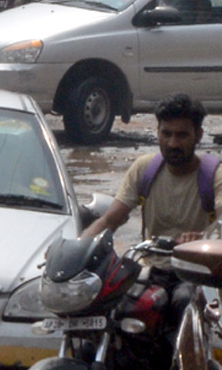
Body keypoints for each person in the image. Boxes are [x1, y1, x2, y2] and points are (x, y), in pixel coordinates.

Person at [80, 94, 220, 334]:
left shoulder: (214, 175)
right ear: (157, 132)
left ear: (198, 135)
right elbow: (110, 220)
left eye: (182, 135)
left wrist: (205, 243)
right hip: (150, 269)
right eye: (166, 134)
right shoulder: (144, 169)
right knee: (108, 304)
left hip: (196, 274)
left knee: (183, 304)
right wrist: (76, 249)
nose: (173, 143)